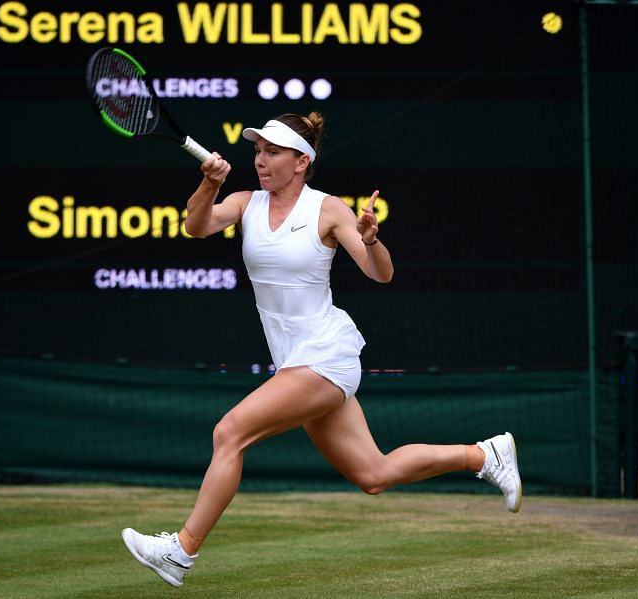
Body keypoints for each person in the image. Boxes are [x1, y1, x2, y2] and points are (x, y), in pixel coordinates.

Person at [121, 112, 521, 588]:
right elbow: (197, 225)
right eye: (257, 151)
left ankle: (181, 550)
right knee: (374, 473)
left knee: (229, 433)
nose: (261, 160)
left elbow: (381, 273)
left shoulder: (329, 210)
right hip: (295, 361)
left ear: (301, 161)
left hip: (326, 354)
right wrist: (209, 185)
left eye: (272, 152)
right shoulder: (245, 202)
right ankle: (485, 456)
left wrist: (372, 242)